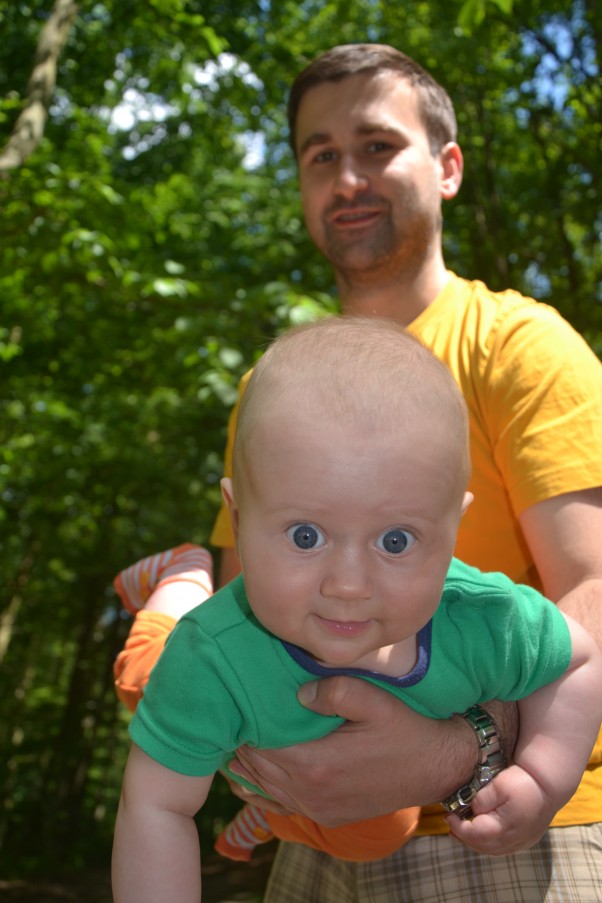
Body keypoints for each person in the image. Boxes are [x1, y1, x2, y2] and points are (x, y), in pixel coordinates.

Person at [114, 43, 602, 901]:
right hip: (322, 834)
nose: (348, 178)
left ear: (448, 167)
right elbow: (255, 618)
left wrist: (460, 750)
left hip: (519, 825)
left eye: (378, 145)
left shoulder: (518, 346)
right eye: (321, 155)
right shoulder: (272, 390)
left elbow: (595, 592)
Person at [111, 317, 602, 903]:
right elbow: (156, 805)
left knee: (376, 827)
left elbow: (577, 659)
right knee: (143, 679)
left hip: (365, 807)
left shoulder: (482, 621)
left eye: (395, 541)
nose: (348, 584)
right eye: (305, 536)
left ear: (452, 534)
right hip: (184, 666)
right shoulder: (212, 655)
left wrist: (544, 777)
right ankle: (182, 577)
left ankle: (268, 813)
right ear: (238, 520)